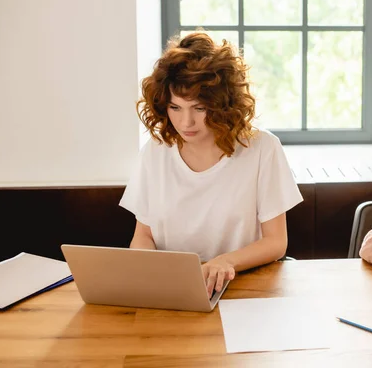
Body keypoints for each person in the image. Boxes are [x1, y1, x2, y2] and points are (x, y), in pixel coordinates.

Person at [119, 32, 303, 295]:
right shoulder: (155, 152)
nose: (186, 123)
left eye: (199, 108)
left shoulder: (262, 148)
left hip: (243, 287)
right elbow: (143, 236)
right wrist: (152, 269)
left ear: (221, 104)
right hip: (172, 290)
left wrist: (226, 262)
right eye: (175, 108)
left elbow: (276, 242)